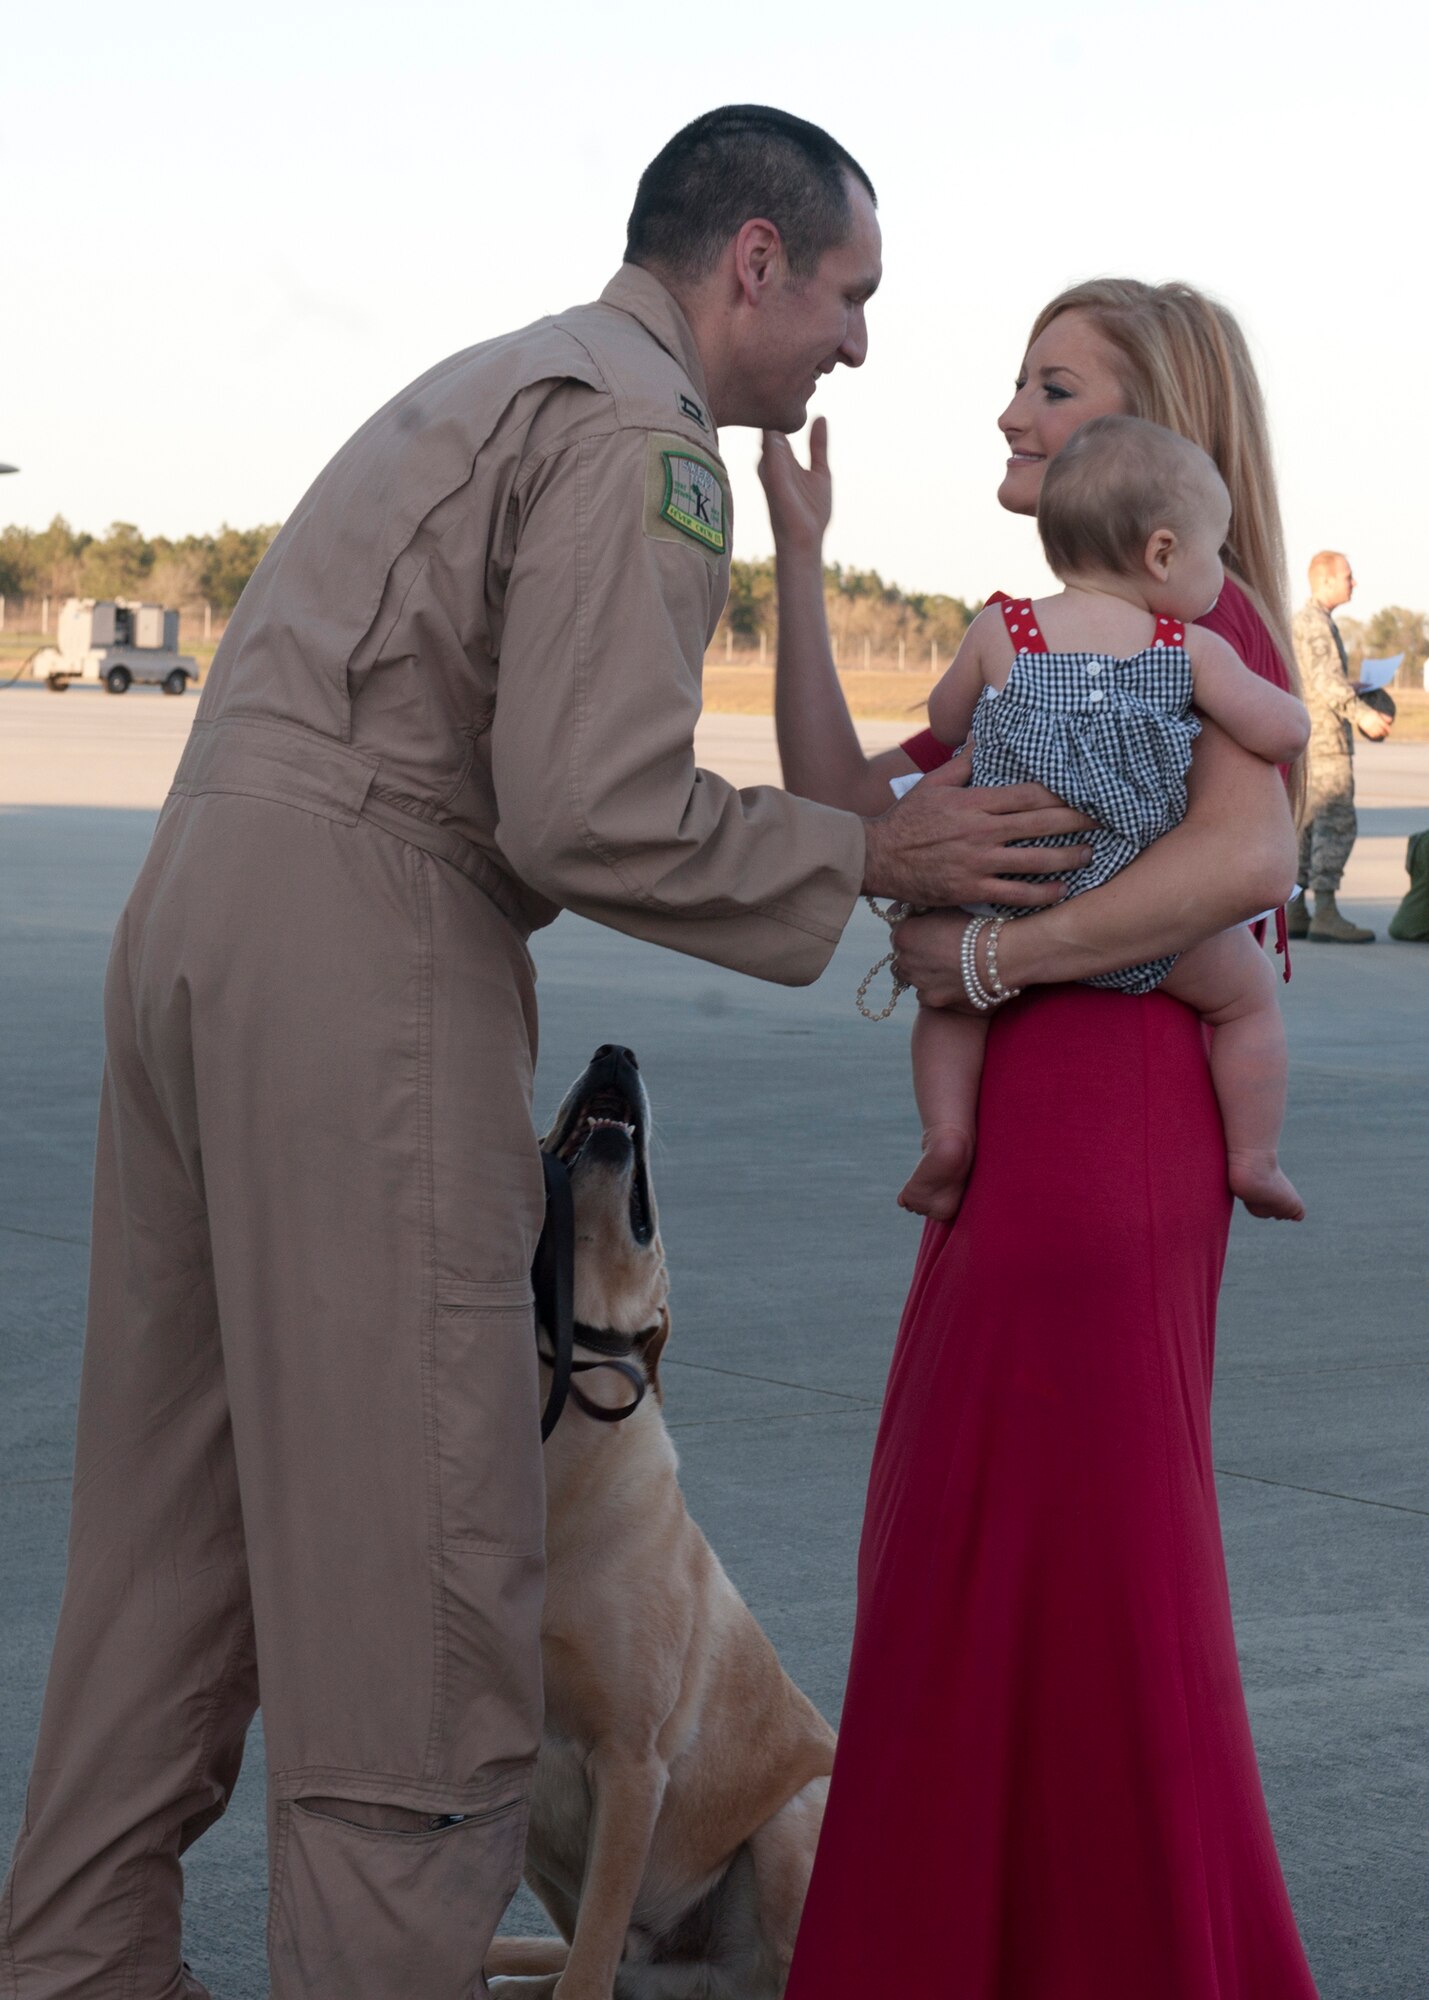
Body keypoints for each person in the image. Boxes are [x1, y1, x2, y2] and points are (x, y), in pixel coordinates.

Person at [0, 109, 1113, 2000]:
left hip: (197, 931)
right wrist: (872, 854)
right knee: (423, 1590)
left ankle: (75, 1965)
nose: (855, 344)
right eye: (847, 296)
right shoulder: (642, 436)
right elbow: (584, 809)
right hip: (366, 956)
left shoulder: (495, 375)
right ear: (750, 261)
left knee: (167, 1547)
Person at [762, 278, 1321, 1996]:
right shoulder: (1028, 630)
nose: (1009, 413)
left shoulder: (1197, 614)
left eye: (1048, 385)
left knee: (1060, 1574)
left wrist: (985, 952)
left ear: (1144, 427)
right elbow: (838, 807)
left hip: (1107, 1128)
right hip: (1025, 1131)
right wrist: (797, 561)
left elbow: (1239, 865)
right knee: (974, 1560)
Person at [895, 415, 1308, 1225]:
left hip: (1006, 887)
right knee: (1247, 1000)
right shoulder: (1182, 647)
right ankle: (1255, 1158)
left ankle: (944, 1138)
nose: (1218, 576)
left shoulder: (1001, 627)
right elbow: (1282, 731)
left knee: (947, 1007)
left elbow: (944, 721)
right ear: (1160, 554)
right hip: (1138, 908)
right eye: (1210, 552)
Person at [1290, 549, 1391, 944]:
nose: (1353, 582)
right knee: (1335, 823)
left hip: (1310, 739)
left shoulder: (1312, 621)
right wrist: (1361, 713)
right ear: (1325, 580)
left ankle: (1297, 909)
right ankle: (1326, 912)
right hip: (1325, 743)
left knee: (1309, 826)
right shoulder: (1314, 623)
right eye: (1347, 576)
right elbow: (1325, 683)